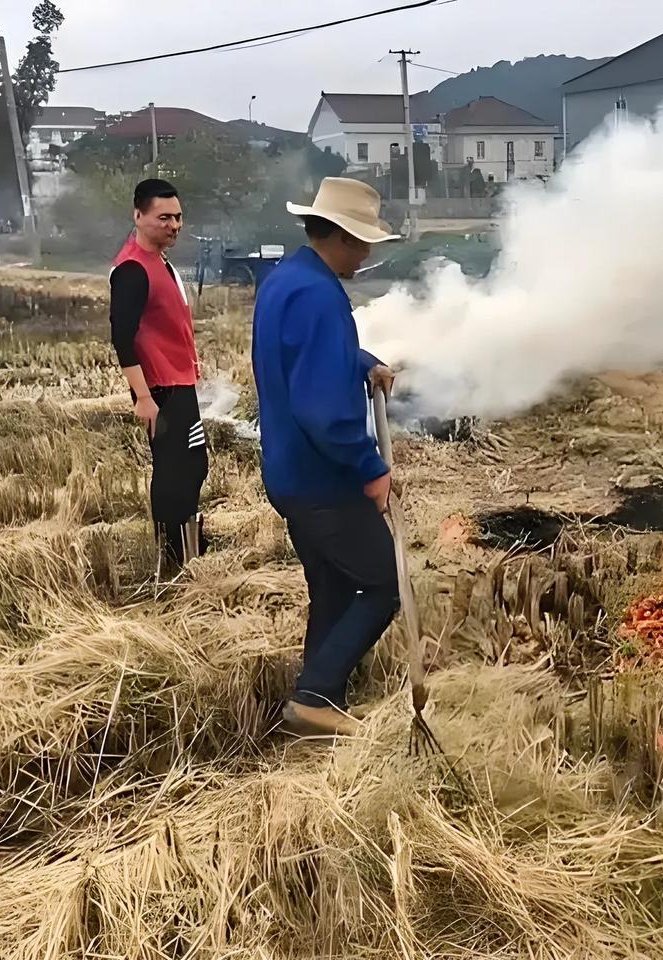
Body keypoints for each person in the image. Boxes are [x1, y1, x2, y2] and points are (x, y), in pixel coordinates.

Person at [252, 177, 400, 737]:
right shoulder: (318, 296)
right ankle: (314, 696)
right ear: (339, 236)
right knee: (381, 583)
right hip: (322, 478)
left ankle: (321, 695)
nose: (364, 256)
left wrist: (363, 362)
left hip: (290, 471)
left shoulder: (288, 281)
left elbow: (308, 355)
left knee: (334, 586)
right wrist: (371, 469)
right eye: (362, 244)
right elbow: (323, 411)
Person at [109, 178, 209, 575]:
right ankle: (173, 559)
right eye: (163, 217)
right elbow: (122, 336)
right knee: (174, 471)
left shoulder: (159, 261)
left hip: (179, 381)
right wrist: (144, 397)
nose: (174, 225)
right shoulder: (132, 268)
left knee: (193, 465)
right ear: (138, 215)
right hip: (162, 389)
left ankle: (188, 544)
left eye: (178, 217)